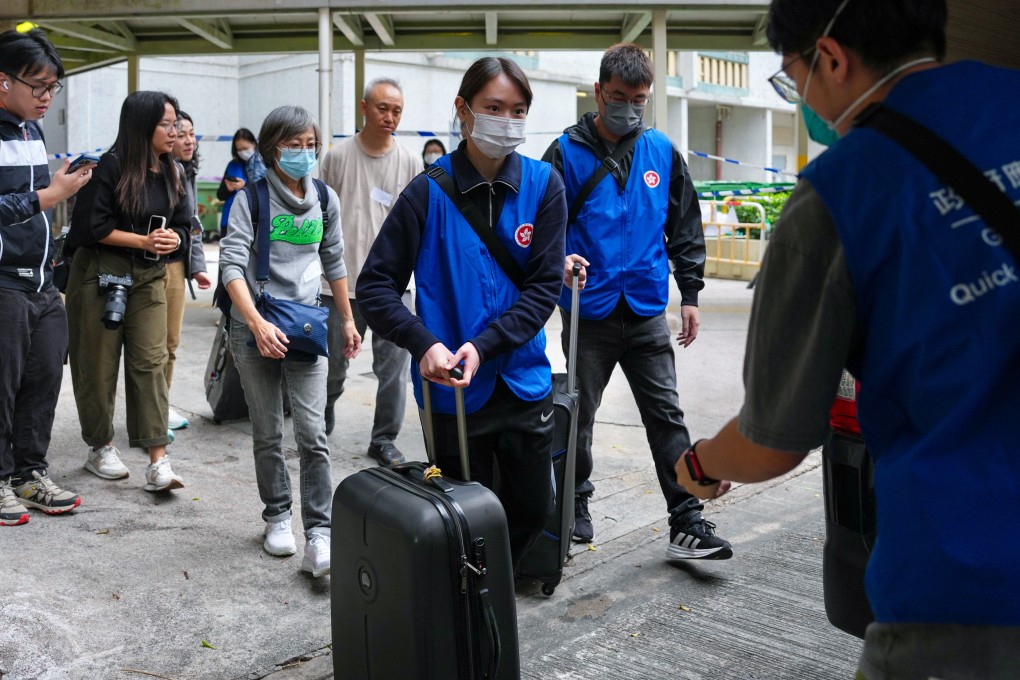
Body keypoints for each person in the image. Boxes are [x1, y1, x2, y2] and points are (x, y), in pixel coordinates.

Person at [674, 0, 1020, 677]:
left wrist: (701, 466)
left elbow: (772, 443)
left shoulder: (837, 194)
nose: (800, 94)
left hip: (966, 594)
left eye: (792, 75)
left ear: (830, 58)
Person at [357, 57, 567, 569]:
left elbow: (542, 291)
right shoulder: (427, 191)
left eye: (518, 110)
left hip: (524, 381)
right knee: (466, 516)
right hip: (451, 390)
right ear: (463, 109)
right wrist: (424, 342)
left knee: (532, 506)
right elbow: (375, 286)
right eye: (493, 107)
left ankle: (502, 588)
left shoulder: (544, 186)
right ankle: (475, 607)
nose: (507, 120)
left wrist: (487, 343)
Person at [541, 43, 731, 560]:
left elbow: (684, 226)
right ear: (599, 92)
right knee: (577, 415)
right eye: (619, 96)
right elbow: (540, 230)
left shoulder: (662, 151)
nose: (628, 107)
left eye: (639, 98)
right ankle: (575, 504)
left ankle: (687, 520)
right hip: (589, 311)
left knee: (666, 415)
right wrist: (558, 260)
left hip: (646, 307)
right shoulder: (563, 153)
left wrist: (690, 294)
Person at [220, 105, 361, 578]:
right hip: (253, 327)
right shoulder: (252, 200)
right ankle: (278, 516)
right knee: (268, 432)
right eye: (293, 144)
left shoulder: (324, 197)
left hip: (304, 328)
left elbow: (334, 260)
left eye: (310, 144)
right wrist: (257, 324)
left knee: (313, 433)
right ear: (271, 148)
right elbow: (232, 266)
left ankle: (319, 533)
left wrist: (346, 320)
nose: (303, 153)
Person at [64, 90, 189, 493]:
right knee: (96, 365)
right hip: (100, 273)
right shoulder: (108, 167)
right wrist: (145, 242)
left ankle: (158, 459)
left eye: (176, 124)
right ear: (141, 126)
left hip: (150, 276)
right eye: (166, 125)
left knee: (151, 362)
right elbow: (91, 228)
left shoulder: (174, 171)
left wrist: (174, 240)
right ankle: (100, 446)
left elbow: (186, 226)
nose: (175, 132)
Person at [0, 28, 89, 526]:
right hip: (3, 282)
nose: (47, 97)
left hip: (40, 281)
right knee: (2, 385)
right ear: (2, 81)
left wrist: (63, 187)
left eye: (53, 87)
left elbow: (37, 204)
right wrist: (48, 196)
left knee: (43, 381)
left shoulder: (31, 132)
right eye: (37, 86)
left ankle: (28, 473)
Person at [318, 77, 422, 464]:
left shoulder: (410, 161)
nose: (390, 117)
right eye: (383, 108)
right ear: (364, 107)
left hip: (393, 287)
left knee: (394, 371)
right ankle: (321, 418)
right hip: (339, 286)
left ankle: (383, 439)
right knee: (331, 366)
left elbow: (417, 224)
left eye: (397, 111)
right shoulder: (338, 157)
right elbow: (321, 220)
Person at [165, 109, 213, 431]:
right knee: (155, 347)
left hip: (177, 265)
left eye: (192, 134)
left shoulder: (187, 172)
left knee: (169, 343)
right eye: (181, 134)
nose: (188, 140)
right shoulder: (159, 172)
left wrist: (197, 267)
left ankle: (159, 405)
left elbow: (192, 226)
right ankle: (151, 410)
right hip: (156, 265)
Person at [216, 127, 265, 238]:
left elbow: (265, 191)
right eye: (239, 150)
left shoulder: (263, 164)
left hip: (253, 221)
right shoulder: (233, 165)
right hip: (229, 220)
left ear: (254, 144)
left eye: (245, 148)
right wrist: (228, 189)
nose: (243, 152)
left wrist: (245, 186)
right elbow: (220, 195)